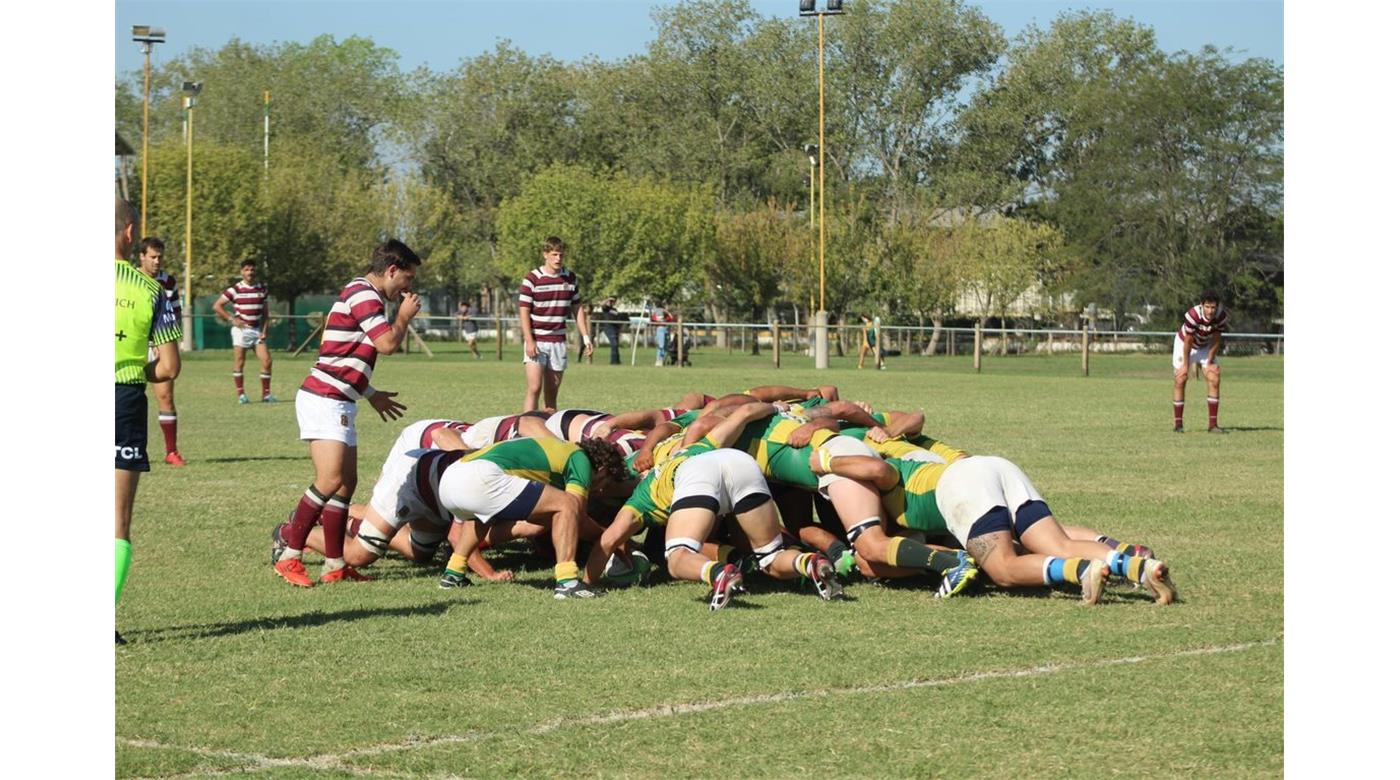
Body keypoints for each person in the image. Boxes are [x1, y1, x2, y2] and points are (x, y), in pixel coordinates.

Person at [584, 402, 842, 609]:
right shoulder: (692, 447)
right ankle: (811, 563)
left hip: (696, 475)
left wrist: (585, 582)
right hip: (739, 462)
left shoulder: (640, 498)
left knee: (677, 559)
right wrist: (776, 408)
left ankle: (719, 573)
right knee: (771, 559)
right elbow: (745, 413)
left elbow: (607, 542)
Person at [271, 240, 422, 587]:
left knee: (345, 484)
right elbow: (386, 345)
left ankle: (335, 564)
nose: (408, 288)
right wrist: (403, 317)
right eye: (407, 278)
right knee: (329, 480)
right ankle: (290, 554)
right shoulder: (364, 295)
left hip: (339, 397)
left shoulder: (364, 294)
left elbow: (342, 353)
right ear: (392, 271)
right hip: (324, 398)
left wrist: (369, 393)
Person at [921, 454, 1177, 605]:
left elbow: (884, 546)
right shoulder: (908, 442)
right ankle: (1139, 568)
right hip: (992, 465)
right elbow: (915, 418)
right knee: (1060, 544)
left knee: (1003, 568)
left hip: (959, 485)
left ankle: (1082, 570)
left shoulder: (885, 465)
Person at [436, 436, 629, 598]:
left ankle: (453, 573)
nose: (601, 490)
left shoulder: (558, 449)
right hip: (479, 478)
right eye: (605, 483)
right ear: (602, 469)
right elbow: (577, 515)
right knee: (568, 504)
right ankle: (567, 582)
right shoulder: (579, 458)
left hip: (450, 479)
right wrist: (612, 538)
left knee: (480, 514)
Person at [115, 197, 183, 644]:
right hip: (121, 397)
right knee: (115, 521)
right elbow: (169, 367)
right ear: (129, 231)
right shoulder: (150, 289)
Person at [519, 236, 591, 411]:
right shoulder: (532, 279)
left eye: (561, 255)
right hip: (537, 341)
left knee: (551, 394)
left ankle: (547, 430)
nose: (558, 259)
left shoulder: (570, 279)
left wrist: (586, 337)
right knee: (534, 387)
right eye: (554, 254)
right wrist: (529, 340)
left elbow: (577, 309)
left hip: (558, 342)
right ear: (545, 254)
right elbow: (524, 311)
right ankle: (526, 428)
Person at [135, 237, 186, 466]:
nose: (157, 261)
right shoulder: (130, 279)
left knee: (165, 396)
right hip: (132, 345)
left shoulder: (168, 282)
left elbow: (174, 315)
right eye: (152, 257)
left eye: (160, 257)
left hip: (158, 347)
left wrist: (163, 342)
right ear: (141, 256)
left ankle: (171, 451)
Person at [213, 259, 275, 404]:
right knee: (240, 362)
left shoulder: (262, 289)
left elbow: (266, 313)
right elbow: (217, 306)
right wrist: (231, 319)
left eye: (252, 270)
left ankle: (266, 395)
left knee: (267, 361)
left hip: (256, 331)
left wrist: (264, 330)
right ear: (242, 272)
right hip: (241, 330)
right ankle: (241, 395)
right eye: (247, 270)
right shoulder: (235, 289)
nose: (250, 272)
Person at [1173, 290, 1229, 433]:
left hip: (1204, 346)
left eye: (1213, 307)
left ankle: (1213, 425)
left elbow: (1216, 339)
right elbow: (1188, 341)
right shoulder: (1193, 315)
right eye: (1207, 307)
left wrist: (1209, 362)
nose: (1210, 311)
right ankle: (1178, 425)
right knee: (1181, 378)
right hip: (1184, 345)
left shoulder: (1221, 317)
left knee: (1214, 377)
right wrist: (1186, 365)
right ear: (1201, 305)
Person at [649, 302, 674, 367]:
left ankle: (662, 360)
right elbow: (653, 320)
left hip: (666, 329)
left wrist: (667, 314)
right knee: (661, 345)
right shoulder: (657, 311)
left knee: (665, 346)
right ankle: (658, 360)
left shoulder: (664, 311)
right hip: (660, 328)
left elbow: (671, 319)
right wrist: (660, 321)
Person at [599, 296, 623, 365]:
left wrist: (619, 329)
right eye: (610, 301)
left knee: (616, 345)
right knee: (614, 344)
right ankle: (613, 362)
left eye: (613, 301)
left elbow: (617, 318)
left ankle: (617, 361)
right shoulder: (606, 308)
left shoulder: (615, 310)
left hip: (615, 328)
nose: (611, 302)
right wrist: (608, 299)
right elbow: (602, 304)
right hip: (609, 328)